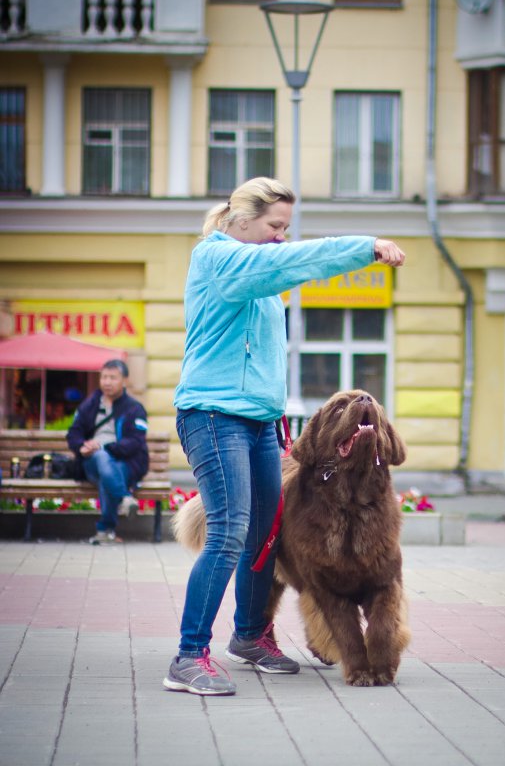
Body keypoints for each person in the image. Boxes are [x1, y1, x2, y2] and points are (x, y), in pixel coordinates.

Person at [163, 177, 405, 697]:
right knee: (229, 531)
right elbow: (288, 264)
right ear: (241, 218)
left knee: (266, 536)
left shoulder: (261, 277)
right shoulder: (217, 258)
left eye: (286, 229)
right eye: (275, 226)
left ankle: (249, 637)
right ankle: (188, 656)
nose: (280, 237)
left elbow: (264, 355)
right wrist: (363, 248)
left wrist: (280, 419)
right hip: (212, 414)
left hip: (258, 420)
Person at [67, 359, 149, 545]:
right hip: (91, 463)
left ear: (124, 381)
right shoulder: (89, 405)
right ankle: (124, 498)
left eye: (113, 377)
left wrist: (104, 447)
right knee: (102, 460)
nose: (107, 382)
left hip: (126, 463)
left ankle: (105, 530)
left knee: (109, 470)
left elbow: (135, 442)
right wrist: (82, 446)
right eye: (104, 377)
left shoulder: (135, 408)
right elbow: (73, 433)